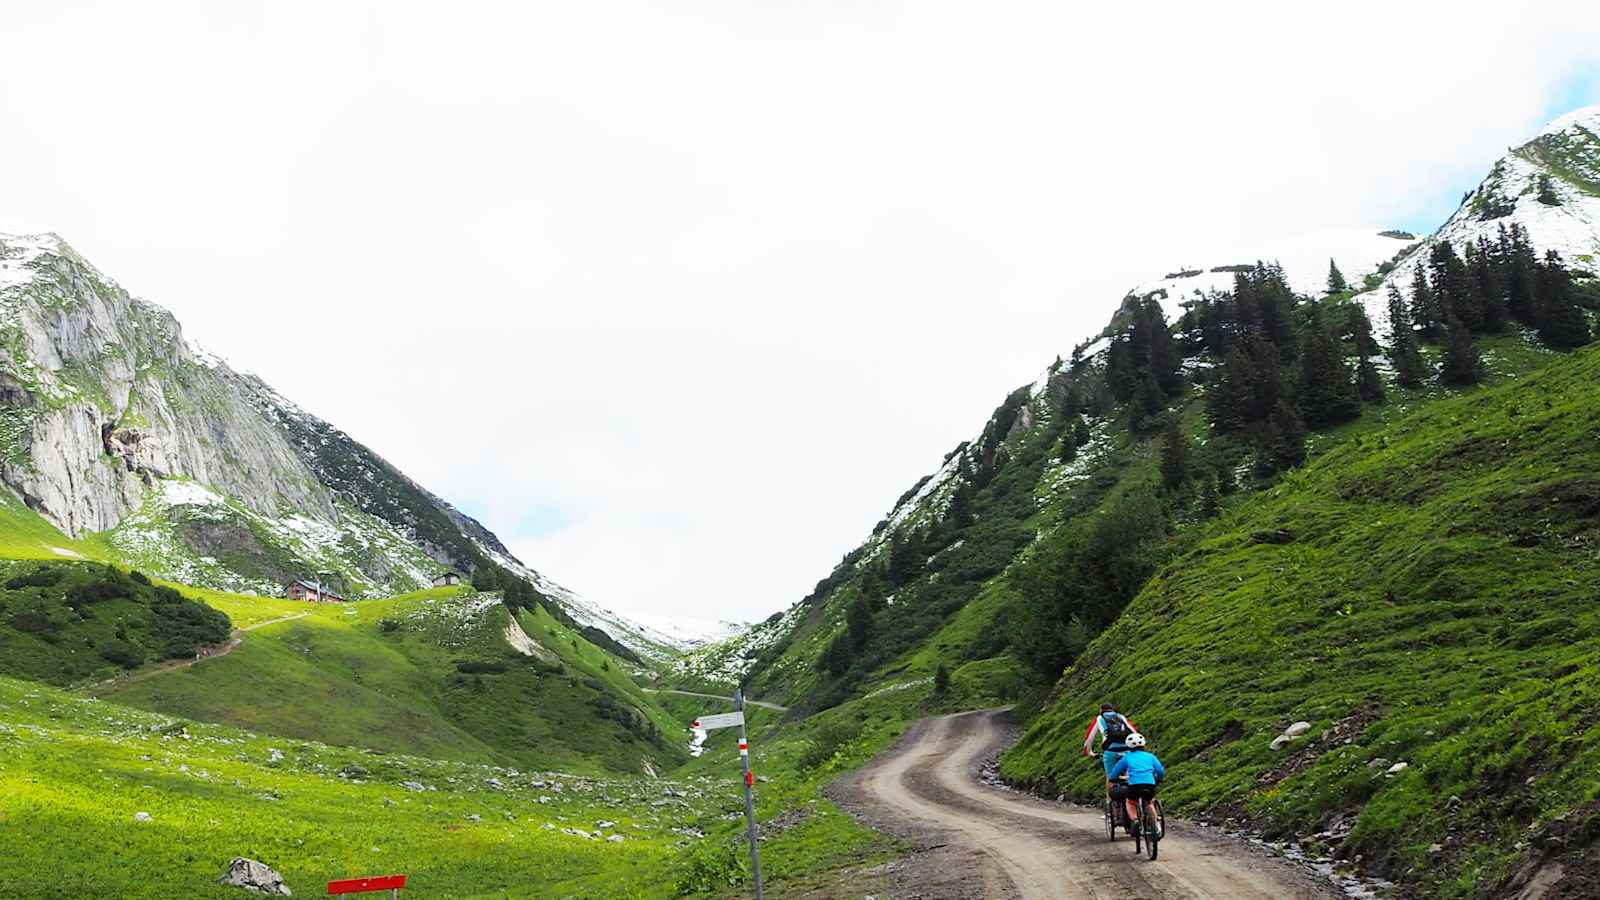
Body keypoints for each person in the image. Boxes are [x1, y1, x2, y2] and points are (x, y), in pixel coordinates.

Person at [1107, 732, 1165, 833]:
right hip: (1150, 784)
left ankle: (1135, 821)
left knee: (1130, 802)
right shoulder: (1150, 756)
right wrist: (1158, 778)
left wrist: (1113, 779)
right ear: (1144, 744)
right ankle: (1156, 825)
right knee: (1149, 802)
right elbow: (1160, 770)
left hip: (1134, 785)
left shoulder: (1127, 757)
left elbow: (1114, 772)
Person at [1081, 703, 1138, 783]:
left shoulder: (1100, 718)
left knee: (1110, 778)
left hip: (1111, 750)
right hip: (1127, 749)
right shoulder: (1121, 717)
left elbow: (1090, 737)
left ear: (1101, 710)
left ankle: (1111, 793)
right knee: (1130, 777)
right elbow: (1134, 731)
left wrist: (1089, 752)